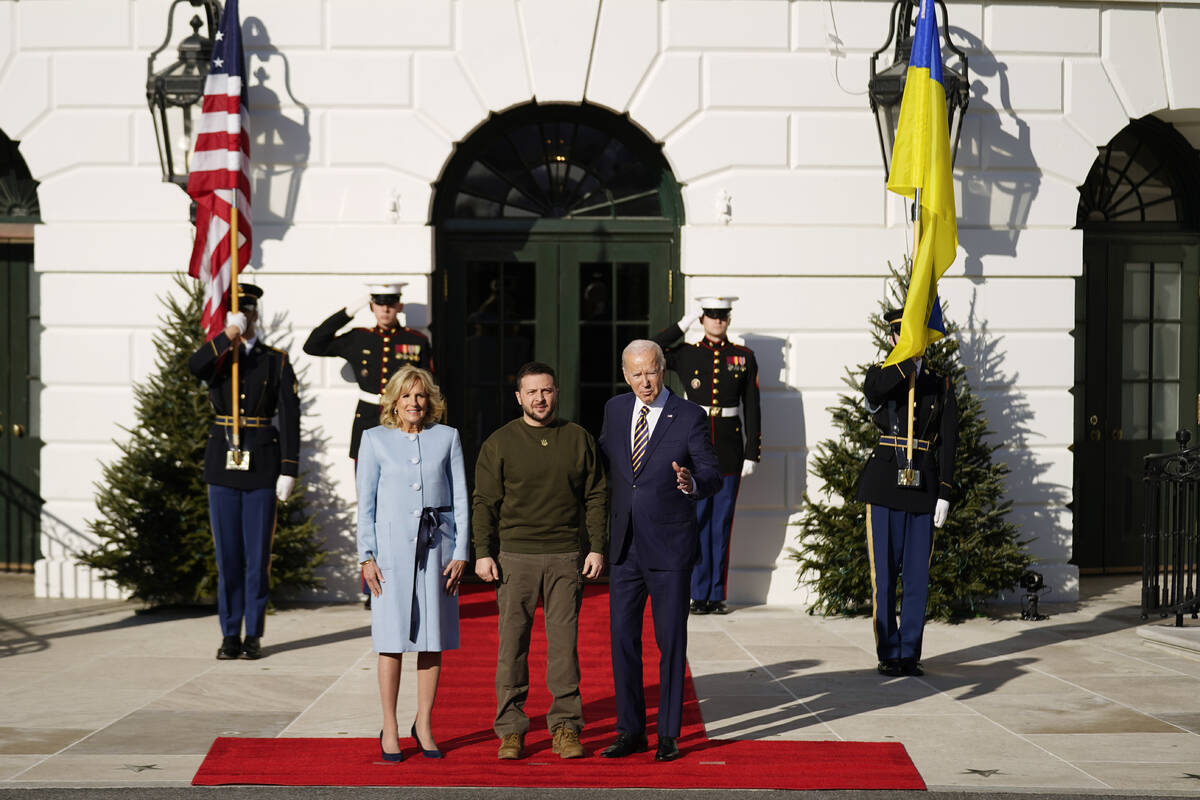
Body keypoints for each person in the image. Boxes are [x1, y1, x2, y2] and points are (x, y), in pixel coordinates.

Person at [472, 362, 608, 761]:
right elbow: (484, 503)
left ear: (556, 392)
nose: (540, 399)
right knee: (512, 647)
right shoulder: (499, 442)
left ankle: (566, 726)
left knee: (564, 649)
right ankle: (511, 730)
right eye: (532, 392)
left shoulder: (577, 438)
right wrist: (483, 552)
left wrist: (596, 546)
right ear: (519, 398)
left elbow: (596, 495)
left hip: (566, 556)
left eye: (546, 391)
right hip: (516, 557)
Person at [597, 340, 721, 762]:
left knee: (670, 641)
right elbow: (602, 467)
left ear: (663, 368)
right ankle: (630, 729)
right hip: (625, 547)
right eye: (635, 374)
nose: (644, 382)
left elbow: (711, 471)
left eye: (650, 371)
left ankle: (668, 733)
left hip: (669, 548)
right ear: (625, 374)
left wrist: (691, 482)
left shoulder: (689, 416)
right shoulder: (615, 410)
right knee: (622, 642)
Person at [357, 366, 469, 761]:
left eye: (420, 396)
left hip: (438, 551)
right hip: (389, 556)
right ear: (393, 401)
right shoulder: (374, 440)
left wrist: (461, 552)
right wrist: (365, 555)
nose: (413, 403)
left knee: (432, 640)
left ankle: (424, 722)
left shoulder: (447, 438)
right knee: (391, 641)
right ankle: (389, 725)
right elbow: (365, 505)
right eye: (406, 396)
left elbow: (461, 499)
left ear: (430, 401)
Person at [187, 284, 300, 661]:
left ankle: (254, 633)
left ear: (256, 313)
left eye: (249, 312)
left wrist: (289, 469)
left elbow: (290, 416)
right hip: (223, 464)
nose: (245, 318)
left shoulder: (275, 360)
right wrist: (227, 336)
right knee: (229, 557)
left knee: (257, 557)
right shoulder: (220, 357)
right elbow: (194, 366)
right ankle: (229, 633)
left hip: (262, 464)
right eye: (239, 314)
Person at [856, 308, 958, 678]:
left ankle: (909, 652)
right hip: (884, 485)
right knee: (884, 574)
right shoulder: (882, 374)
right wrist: (905, 363)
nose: (909, 342)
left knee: (917, 575)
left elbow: (949, 441)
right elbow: (875, 392)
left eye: (915, 336)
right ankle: (888, 650)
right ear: (892, 338)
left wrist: (945, 491)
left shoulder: (939, 383)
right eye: (903, 336)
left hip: (923, 487)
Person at [652, 296, 761, 615]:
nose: (717, 321)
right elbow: (651, 350)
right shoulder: (686, 354)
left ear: (728, 319)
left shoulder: (743, 357)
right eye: (711, 316)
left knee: (721, 523)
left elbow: (752, 406)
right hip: (694, 447)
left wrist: (751, 451)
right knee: (696, 521)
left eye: (722, 316)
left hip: (729, 448)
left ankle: (716, 594)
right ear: (702, 319)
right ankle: (698, 593)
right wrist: (680, 325)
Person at [303, 281, 433, 461]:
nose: (385, 310)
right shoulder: (359, 338)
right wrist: (350, 310)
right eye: (379, 304)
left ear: (399, 306)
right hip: (367, 418)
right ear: (372, 307)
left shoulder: (416, 341)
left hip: (403, 420)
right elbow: (313, 346)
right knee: (365, 479)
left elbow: (429, 386)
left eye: (391, 304)